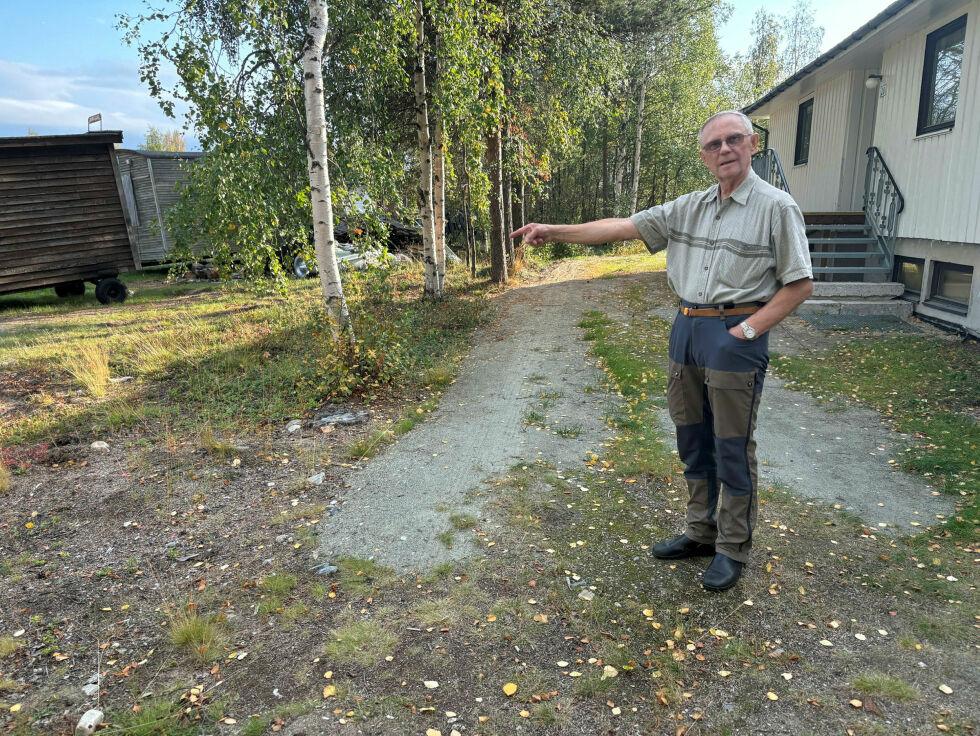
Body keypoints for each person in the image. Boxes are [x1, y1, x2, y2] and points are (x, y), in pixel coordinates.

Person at [510, 110, 813, 592]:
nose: (725, 150)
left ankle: (732, 547)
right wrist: (555, 230)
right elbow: (620, 227)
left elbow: (799, 285)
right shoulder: (688, 207)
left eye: (734, 139)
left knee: (731, 444)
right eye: (714, 145)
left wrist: (749, 331)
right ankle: (700, 532)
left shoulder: (776, 208)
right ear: (703, 156)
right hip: (688, 327)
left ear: (752, 143)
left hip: (735, 332)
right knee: (692, 439)